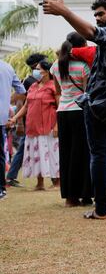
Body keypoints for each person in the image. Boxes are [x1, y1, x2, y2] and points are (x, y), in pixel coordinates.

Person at [42, 0, 106, 220]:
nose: (97, 18)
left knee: (99, 155)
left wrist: (64, 11)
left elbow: (91, 32)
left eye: (101, 14)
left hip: (99, 105)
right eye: (95, 15)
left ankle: (101, 209)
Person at [51, 33, 93, 206]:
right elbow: (87, 93)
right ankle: (85, 194)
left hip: (63, 112)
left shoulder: (55, 65)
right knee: (82, 154)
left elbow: (58, 91)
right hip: (79, 111)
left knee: (66, 153)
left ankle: (70, 197)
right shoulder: (83, 66)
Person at [9, 60, 60, 191]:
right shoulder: (33, 86)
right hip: (32, 126)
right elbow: (26, 106)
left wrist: (57, 126)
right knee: (36, 154)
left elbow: (59, 107)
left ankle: (57, 183)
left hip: (48, 126)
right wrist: (15, 118)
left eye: (38, 69)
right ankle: (39, 183)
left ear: (47, 71)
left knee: (52, 153)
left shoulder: (53, 86)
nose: (35, 71)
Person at [5, 53, 46, 187]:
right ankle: (10, 177)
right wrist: (20, 123)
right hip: (29, 120)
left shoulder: (42, 80)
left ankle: (11, 176)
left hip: (40, 120)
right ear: (35, 65)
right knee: (23, 148)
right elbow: (19, 101)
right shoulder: (29, 81)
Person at [0, 59, 25, 200]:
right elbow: (21, 90)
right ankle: (1, 189)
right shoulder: (8, 67)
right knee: (1, 155)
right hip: (2, 117)